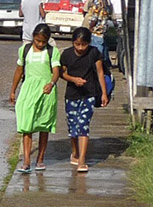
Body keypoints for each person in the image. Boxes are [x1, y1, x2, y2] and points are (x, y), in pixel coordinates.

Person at [9, 22, 60, 172]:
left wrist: (51, 83)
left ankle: (40, 158)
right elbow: (19, 70)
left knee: (44, 125)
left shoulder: (52, 52)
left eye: (44, 42)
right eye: (38, 41)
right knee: (27, 125)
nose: (40, 44)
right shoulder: (24, 50)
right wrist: (13, 90)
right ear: (33, 37)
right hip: (28, 90)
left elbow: (56, 70)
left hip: (46, 91)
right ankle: (26, 160)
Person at [60, 26, 107, 173]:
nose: (80, 48)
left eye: (84, 44)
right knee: (72, 128)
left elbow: (100, 73)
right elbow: (62, 74)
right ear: (73, 42)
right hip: (72, 95)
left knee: (83, 126)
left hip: (89, 94)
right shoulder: (66, 54)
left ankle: (82, 160)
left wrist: (104, 93)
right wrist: (74, 79)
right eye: (77, 44)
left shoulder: (94, 53)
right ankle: (75, 152)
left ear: (89, 43)